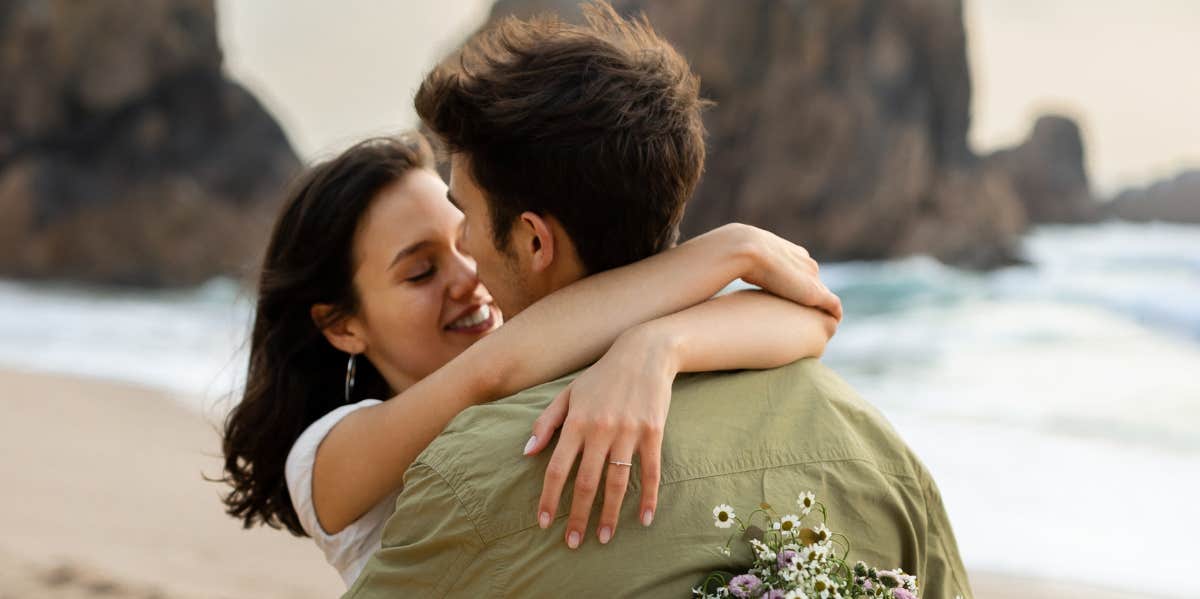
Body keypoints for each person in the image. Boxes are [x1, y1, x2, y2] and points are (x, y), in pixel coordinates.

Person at [346, 4, 974, 598]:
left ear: (535, 240)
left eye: (467, 214)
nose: (462, 243)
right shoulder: (871, 446)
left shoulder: (469, 476)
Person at [218, 131, 841, 586]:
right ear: (343, 325)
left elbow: (809, 318)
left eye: (464, 234)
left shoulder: (548, 358)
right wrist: (731, 250)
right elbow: (493, 372)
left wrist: (659, 345)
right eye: (420, 272)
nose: (468, 274)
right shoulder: (323, 459)